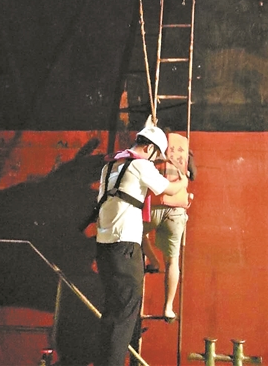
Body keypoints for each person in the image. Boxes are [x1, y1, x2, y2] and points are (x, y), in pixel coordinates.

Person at [94, 118, 187, 366]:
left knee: (111, 313)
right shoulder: (140, 165)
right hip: (125, 248)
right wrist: (183, 180)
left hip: (104, 248)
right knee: (125, 315)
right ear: (149, 148)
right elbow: (168, 189)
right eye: (156, 157)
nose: (155, 162)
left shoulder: (110, 166)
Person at [142, 132, 197, 323]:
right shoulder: (185, 153)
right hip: (176, 211)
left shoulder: (152, 151)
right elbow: (194, 175)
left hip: (154, 207)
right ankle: (168, 308)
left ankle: (153, 262)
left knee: (138, 235)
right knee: (173, 261)